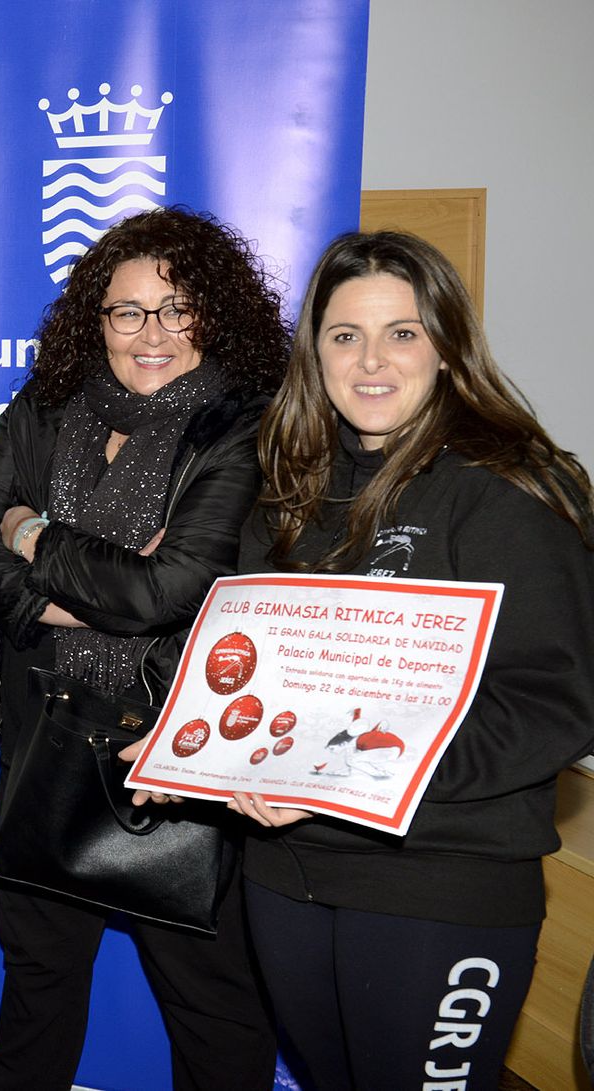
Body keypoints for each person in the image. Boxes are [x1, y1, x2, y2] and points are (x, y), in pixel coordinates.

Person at [227, 230, 594, 1088]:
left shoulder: (509, 485)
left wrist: (341, 778)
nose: (371, 361)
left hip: (442, 884)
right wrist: (205, 744)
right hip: (288, 879)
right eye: (345, 334)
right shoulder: (289, 495)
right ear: (314, 354)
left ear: (448, 343)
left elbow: (553, 701)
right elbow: (253, 670)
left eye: (404, 332)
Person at [0, 207, 289, 1089]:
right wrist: (56, 602)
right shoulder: (47, 404)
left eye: (176, 309)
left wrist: (34, 529)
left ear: (215, 315)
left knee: (213, 1010)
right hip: (42, 733)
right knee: (36, 992)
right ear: (94, 320)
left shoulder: (244, 427)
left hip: (170, 747)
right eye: (127, 311)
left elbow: (163, 591)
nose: (152, 333)